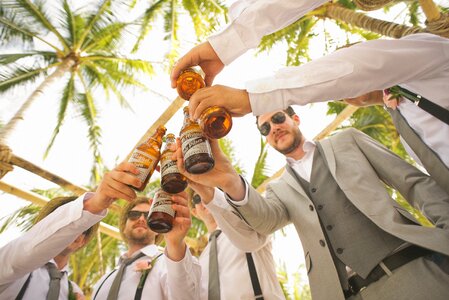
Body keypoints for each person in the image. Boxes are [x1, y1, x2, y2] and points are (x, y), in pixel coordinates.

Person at [169, 0, 449, 194]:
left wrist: (251, 97)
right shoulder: (402, 111)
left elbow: (358, 66)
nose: (344, 93)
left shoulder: (431, 52)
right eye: (264, 126)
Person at [175, 106, 449, 300]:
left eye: (278, 118)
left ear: (295, 118)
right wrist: (230, 181)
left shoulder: (348, 140)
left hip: (411, 273)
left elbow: (411, 182)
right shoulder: (279, 188)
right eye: (265, 128)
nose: (274, 128)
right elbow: (265, 222)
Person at [91, 163, 200, 300]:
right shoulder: (103, 281)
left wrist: (175, 243)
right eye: (134, 215)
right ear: (124, 225)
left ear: (157, 231)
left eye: (148, 216)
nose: (141, 219)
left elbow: (187, 296)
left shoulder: (170, 264)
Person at [0, 194, 104, 299]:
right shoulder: (13, 268)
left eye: (83, 230)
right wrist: (93, 205)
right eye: (67, 225)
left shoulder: (73, 291)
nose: (76, 234)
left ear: (84, 241)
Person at [188, 190, 285, 300]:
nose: (204, 197)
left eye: (209, 189)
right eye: (197, 198)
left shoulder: (247, 227)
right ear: (194, 212)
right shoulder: (201, 260)